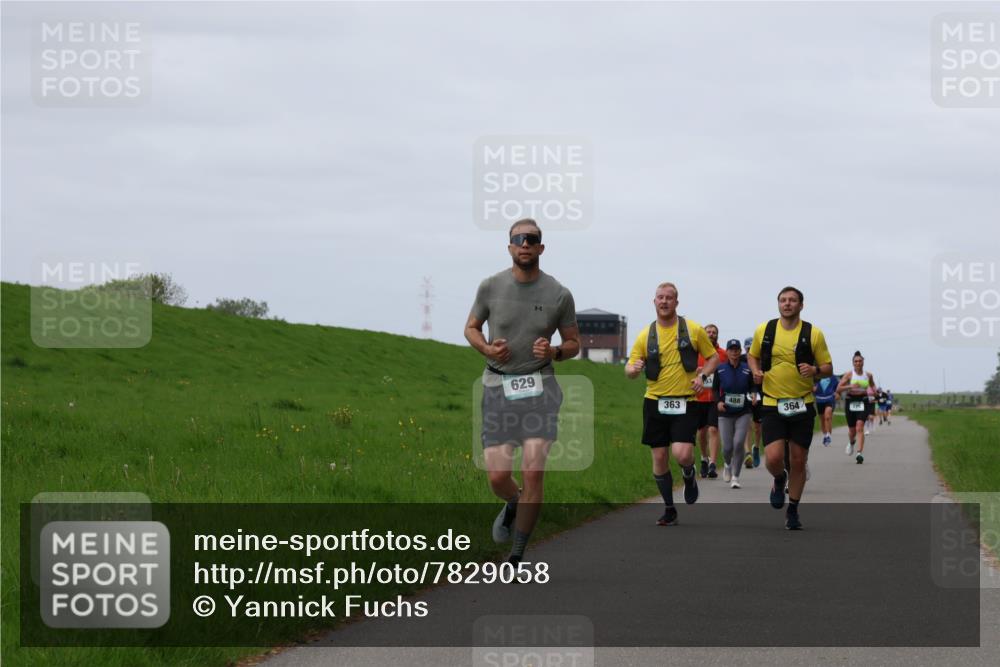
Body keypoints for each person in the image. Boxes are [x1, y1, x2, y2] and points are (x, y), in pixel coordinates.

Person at [464, 218, 580, 564]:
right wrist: (486, 349)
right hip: (498, 386)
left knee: (533, 471)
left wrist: (556, 351)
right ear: (510, 247)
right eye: (518, 239)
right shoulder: (490, 286)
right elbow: (471, 328)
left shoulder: (559, 293)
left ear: (541, 247)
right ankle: (512, 502)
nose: (525, 244)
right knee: (498, 475)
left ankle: (517, 553)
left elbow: (573, 342)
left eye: (532, 239)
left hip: (540, 387)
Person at [626, 282, 720, 526]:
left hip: (685, 401)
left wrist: (702, 377)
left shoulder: (693, 330)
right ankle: (669, 509)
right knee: (659, 457)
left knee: (682, 452)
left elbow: (713, 358)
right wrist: (633, 369)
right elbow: (630, 366)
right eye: (660, 297)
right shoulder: (646, 335)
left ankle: (689, 474)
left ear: (677, 302)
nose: (664, 301)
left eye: (669, 298)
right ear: (654, 302)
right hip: (655, 401)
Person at [747, 287, 833, 530]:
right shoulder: (765, 330)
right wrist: (755, 370)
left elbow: (827, 366)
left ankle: (793, 510)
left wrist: (815, 370)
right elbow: (752, 356)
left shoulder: (813, 333)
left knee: (798, 460)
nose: (787, 304)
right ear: (778, 304)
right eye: (783, 300)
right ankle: (778, 478)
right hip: (772, 402)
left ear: (801, 305)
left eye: (792, 300)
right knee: (773, 458)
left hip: (802, 402)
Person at [715, 339, 754, 489]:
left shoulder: (747, 369)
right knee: (727, 447)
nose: (734, 352)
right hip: (725, 412)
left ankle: (736, 477)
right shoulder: (720, 369)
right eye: (731, 349)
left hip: (743, 411)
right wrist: (718, 402)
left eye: (736, 349)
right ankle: (727, 464)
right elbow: (714, 389)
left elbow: (753, 388)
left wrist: (754, 397)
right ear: (727, 352)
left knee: (738, 443)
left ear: (740, 351)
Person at [695, 324, 726, 478]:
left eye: (714, 332)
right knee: (701, 432)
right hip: (699, 397)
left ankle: (713, 464)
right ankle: (704, 458)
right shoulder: (696, 352)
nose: (711, 334)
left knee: (713, 429)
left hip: (715, 398)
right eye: (708, 332)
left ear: (717, 335)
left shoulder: (722, 354)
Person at [837, 352, 876, 464]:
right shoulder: (849, 375)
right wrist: (850, 386)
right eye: (856, 361)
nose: (858, 363)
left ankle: (859, 453)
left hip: (863, 401)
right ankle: (851, 442)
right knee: (852, 431)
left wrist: (875, 392)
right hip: (850, 401)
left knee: (860, 427)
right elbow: (838, 389)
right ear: (853, 363)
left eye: (860, 361)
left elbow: (872, 385)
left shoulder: (868, 375)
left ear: (863, 362)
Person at [741, 335, 763, 469]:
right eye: (748, 348)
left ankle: (756, 446)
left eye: (752, 348)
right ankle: (747, 452)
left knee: (757, 426)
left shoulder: (761, 360)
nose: (750, 351)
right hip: (746, 393)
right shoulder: (741, 360)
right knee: (746, 422)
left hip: (760, 393)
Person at [813, 371, 839, 446]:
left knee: (827, 417)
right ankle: (825, 435)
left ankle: (828, 435)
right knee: (822, 419)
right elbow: (812, 387)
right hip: (819, 399)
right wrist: (813, 389)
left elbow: (837, 388)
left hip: (830, 399)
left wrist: (837, 393)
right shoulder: (816, 376)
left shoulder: (833, 377)